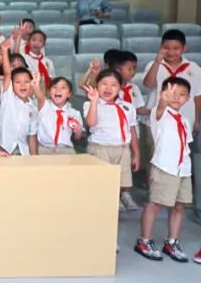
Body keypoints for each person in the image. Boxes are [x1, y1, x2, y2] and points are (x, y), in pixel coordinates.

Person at [135, 77, 193, 262]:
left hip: (183, 169)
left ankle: (172, 242)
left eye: (181, 94)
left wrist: (186, 167)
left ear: (188, 98)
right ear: (162, 94)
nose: (176, 97)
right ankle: (144, 241)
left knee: (179, 206)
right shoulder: (159, 113)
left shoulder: (185, 120)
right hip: (164, 167)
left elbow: (185, 144)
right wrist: (162, 101)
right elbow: (160, 108)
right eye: (171, 93)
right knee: (155, 204)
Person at [83, 70, 140, 210]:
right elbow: (91, 123)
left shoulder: (128, 107)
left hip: (123, 148)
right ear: (97, 85)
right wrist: (94, 102)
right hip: (100, 147)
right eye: (104, 83)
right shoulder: (90, 104)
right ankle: (111, 201)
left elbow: (132, 131)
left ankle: (122, 195)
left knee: (123, 178)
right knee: (103, 180)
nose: (108, 88)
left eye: (114, 85)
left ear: (120, 87)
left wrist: (136, 154)